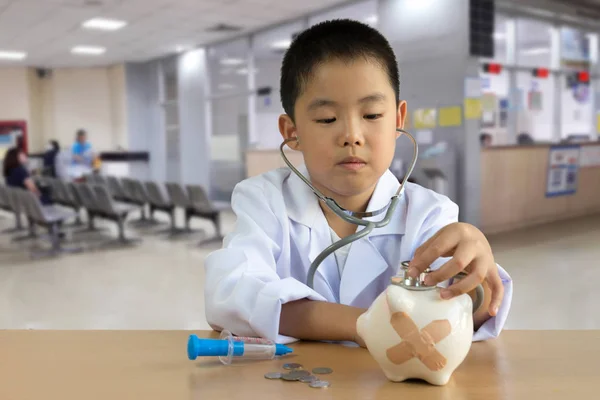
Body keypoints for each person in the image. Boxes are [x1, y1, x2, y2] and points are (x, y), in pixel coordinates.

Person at [204, 20, 512, 345]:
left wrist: (477, 281)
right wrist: (366, 324)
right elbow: (230, 295)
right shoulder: (265, 200)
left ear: (398, 119)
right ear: (291, 132)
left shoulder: (429, 214)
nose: (352, 135)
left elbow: (462, 311)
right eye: (327, 119)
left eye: (372, 115)